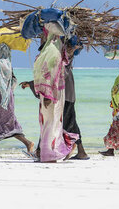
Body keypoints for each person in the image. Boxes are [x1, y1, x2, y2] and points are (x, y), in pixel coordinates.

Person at [0, 33, 33, 158]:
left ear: (1, 52)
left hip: (2, 96)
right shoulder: (4, 63)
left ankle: (28, 143)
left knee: (7, 123)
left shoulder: (3, 63)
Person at [30, 27, 78, 162]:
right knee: (51, 124)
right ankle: (51, 153)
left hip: (50, 94)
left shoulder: (52, 51)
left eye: (43, 35)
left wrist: (47, 95)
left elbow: (51, 73)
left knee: (50, 125)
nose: (41, 38)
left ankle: (51, 154)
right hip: (54, 94)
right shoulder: (56, 49)